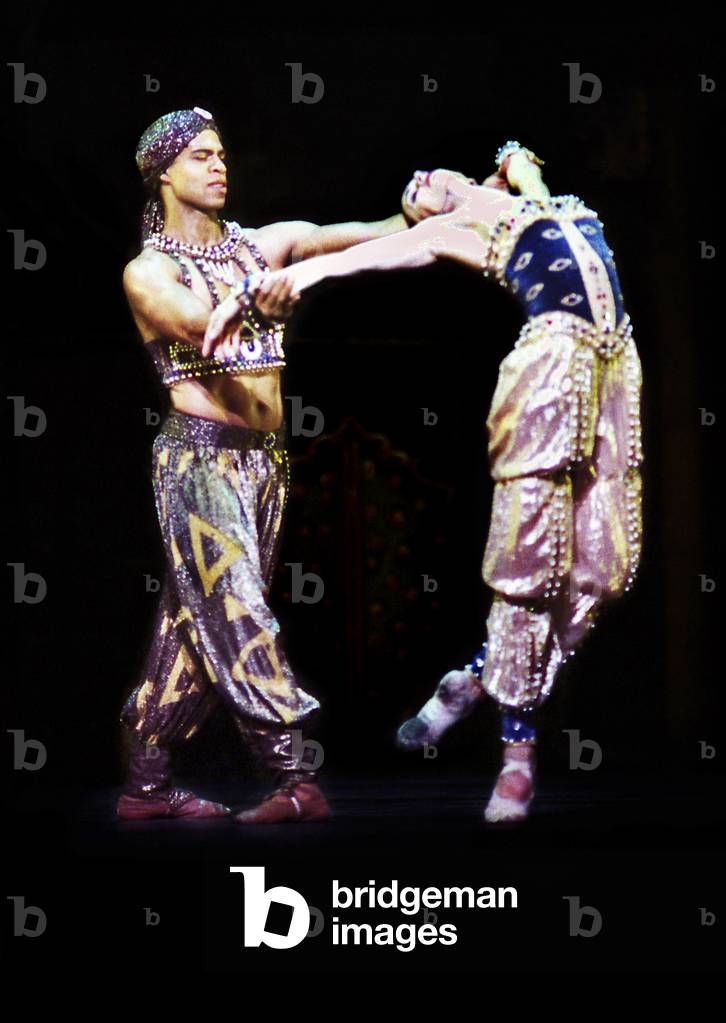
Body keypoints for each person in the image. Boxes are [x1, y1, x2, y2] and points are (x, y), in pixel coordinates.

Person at [206, 142, 644, 825]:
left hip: (618, 368)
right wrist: (275, 285)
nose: (420, 181)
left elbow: (525, 163)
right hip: (552, 370)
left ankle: (471, 679)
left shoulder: (536, 201)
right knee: (529, 564)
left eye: (428, 175)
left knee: (605, 567)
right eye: (415, 195)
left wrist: (510, 164)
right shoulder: (458, 228)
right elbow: (361, 256)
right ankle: (517, 760)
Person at [117, 107, 417, 824]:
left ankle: (145, 786)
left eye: (223, 154)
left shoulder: (261, 244)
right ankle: (292, 778)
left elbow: (362, 239)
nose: (220, 166)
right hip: (199, 463)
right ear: (163, 172)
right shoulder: (148, 272)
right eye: (200, 156)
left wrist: (432, 210)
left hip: (265, 466)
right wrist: (263, 297)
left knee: (193, 628)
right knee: (237, 611)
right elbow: (201, 330)